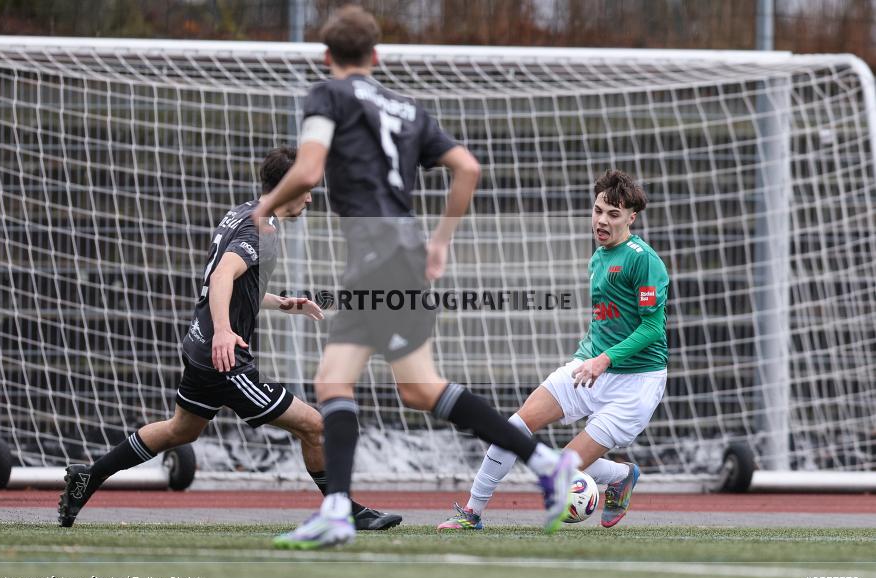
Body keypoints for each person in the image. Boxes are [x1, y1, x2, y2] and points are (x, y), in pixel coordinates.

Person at [253, 5, 579, 550]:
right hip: (405, 254)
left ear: (327, 57)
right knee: (418, 387)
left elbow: (307, 171)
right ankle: (546, 463)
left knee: (335, 382)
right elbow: (468, 167)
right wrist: (441, 241)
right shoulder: (408, 108)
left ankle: (336, 511)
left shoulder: (326, 95)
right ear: (376, 56)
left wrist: (263, 207)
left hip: (375, 257)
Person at [58, 146, 401, 532]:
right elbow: (222, 275)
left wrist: (282, 303)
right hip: (225, 359)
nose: (310, 197)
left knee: (180, 430)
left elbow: (235, 283)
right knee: (317, 426)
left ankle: (88, 477)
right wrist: (224, 331)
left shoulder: (243, 212)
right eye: (306, 188)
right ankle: (345, 512)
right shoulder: (263, 230)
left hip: (201, 347)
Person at [436, 169, 669, 531]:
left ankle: (621, 475)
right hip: (590, 367)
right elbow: (605, 320)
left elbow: (652, 329)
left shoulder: (644, 260)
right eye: (597, 211)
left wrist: (603, 359)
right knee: (512, 427)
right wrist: (589, 356)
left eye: (613, 214)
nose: (601, 221)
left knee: (564, 468)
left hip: (636, 383)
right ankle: (471, 513)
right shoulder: (598, 257)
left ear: (631, 217)